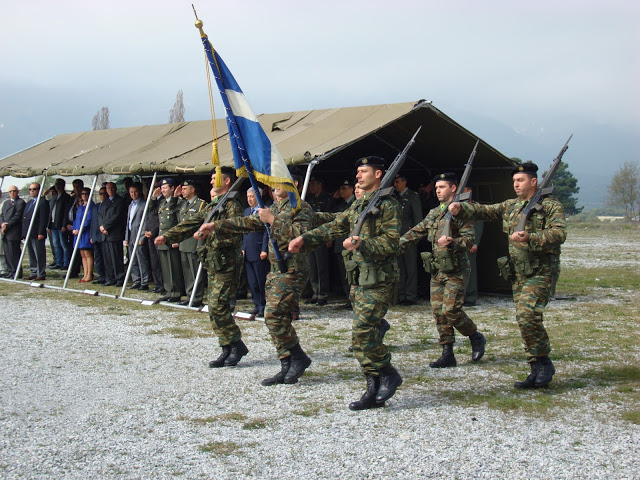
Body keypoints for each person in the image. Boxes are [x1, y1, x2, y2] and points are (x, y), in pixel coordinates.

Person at [289, 156, 403, 411]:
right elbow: (335, 226)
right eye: (358, 171)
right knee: (361, 336)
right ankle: (372, 390)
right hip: (358, 279)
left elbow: (393, 243)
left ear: (378, 174)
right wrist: (304, 240)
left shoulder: (389, 206)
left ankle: (388, 372)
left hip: (379, 278)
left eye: (364, 171)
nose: (359, 175)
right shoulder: (359, 205)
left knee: (363, 334)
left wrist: (363, 243)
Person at [448, 161, 567, 388]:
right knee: (524, 320)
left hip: (540, 271)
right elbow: (486, 210)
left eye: (520, 180)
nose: (516, 184)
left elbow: (559, 233)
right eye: (513, 181)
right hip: (519, 273)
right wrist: (461, 209)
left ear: (534, 181)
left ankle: (543, 363)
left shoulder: (550, 206)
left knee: (528, 316)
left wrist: (530, 238)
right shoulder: (512, 205)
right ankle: (536, 367)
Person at [198, 174, 313, 385]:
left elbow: (301, 235)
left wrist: (273, 221)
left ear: (293, 184)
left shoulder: (300, 207)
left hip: (292, 269)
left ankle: (297, 357)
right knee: (277, 317)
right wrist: (217, 226)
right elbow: (248, 222)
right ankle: (287, 362)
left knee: (272, 314)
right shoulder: (276, 208)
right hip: (276, 270)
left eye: (280, 181)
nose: (274, 186)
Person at [157, 167, 247, 367]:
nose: (211, 181)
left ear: (226, 182)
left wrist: (209, 234)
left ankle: (236, 344)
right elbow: (192, 223)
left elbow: (235, 232)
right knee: (214, 309)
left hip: (227, 263)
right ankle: (227, 346)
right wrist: (168, 236)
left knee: (217, 306)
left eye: (216, 178)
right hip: (213, 262)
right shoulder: (213, 206)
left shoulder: (232, 205)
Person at [400, 172, 486, 369]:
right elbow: (416, 231)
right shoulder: (434, 213)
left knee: (451, 310)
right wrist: (395, 246)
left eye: (442, 187)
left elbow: (469, 240)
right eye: (436, 188)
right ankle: (447, 352)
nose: (437, 191)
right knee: (439, 312)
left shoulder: (462, 211)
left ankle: (475, 336)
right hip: (437, 270)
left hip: (455, 269)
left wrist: (452, 242)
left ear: (453, 188)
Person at [149, 178, 183, 302]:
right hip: (162, 239)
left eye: (165, 188)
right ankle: (168, 291)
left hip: (171, 239)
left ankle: (176, 292)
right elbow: (152, 210)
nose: (162, 190)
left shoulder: (178, 201)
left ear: (172, 188)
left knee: (173, 267)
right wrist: (153, 198)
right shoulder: (162, 202)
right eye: (161, 188)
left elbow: (177, 217)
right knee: (165, 267)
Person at [175, 179, 207, 307]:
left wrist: (201, 243)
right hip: (184, 243)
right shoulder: (183, 204)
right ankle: (190, 295)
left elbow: (203, 225)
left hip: (194, 243)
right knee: (187, 272)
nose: (182, 191)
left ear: (192, 189)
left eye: (184, 189)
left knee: (195, 272)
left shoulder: (201, 204)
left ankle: (197, 297)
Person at [393, 173, 423, 305]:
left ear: (404, 182)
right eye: (395, 182)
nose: (395, 185)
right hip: (396, 237)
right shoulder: (394, 198)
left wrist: (416, 236)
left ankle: (410, 295)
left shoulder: (412, 196)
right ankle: (401, 294)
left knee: (410, 267)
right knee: (400, 268)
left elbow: (418, 218)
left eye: (398, 182)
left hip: (409, 237)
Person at [305, 177, 332, 306]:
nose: (311, 187)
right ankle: (315, 292)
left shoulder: (327, 199)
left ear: (320, 185)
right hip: (310, 236)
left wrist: (328, 237)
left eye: (314, 184)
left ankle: (323, 294)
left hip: (321, 236)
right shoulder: (309, 199)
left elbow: (330, 220)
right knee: (312, 267)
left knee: (322, 266)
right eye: (310, 184)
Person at [242, 187, 269, 316]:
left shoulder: (264, 210)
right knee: (252, 281)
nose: (249, 199)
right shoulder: (247, 211)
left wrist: (264, 249)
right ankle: (257, 304)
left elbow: (266, 232)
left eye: (252, 197)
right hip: (248, 251)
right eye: (247, 197)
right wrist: (243, 247)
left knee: (261, 280)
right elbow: (243, 231)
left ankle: (264, 305)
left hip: (259, 251)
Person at [98, 182, 126, 287]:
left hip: (114, 233)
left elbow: (117, 216)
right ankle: (110, 278)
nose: (110, 190)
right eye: (108, 188)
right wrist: (101, 227)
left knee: (116, 258)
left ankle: (119, 278)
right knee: (107, 258)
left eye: (111, 188)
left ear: (115, 189)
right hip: (105, 234)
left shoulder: (120, 201)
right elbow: (100, 215)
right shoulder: (105, 202)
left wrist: (106, 226)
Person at [125, 182, 150, 291]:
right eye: (131, 192)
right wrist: (126, 237)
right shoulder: (131, 205)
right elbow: (128, 222)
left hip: (139, 234)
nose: (133, 194)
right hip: (131, 234)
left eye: (135, 192)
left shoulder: (143, 204)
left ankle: (145, 281)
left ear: (139, 192)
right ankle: (136, 280)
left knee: (141, 259)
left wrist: (142, 237)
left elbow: (145, 222)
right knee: (132, 259)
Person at [22, 183, 50, 281]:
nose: (32, 191)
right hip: (29, 232)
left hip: (37, 232)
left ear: (39, 190)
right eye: (30, 189)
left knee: (39, 253)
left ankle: (41, 273)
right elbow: (25, 217)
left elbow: (43, 218)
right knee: (31, 253)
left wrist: (41, 232)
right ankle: (33, 272)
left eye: (34, 189)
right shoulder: (29, 202)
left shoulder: (42, 202)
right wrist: (24, 233)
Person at [463, 186, 484, 306]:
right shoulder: (457, 204)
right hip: (460, 242)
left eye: (464, 189)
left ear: (469, 191)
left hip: (470, 243)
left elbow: (479, 225)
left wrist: (475, 243)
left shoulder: (475, 206)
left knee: (470, 270)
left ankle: (471, 297)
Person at [0, 185, 26, 278]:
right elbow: (2, 215)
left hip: (14, 231)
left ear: (17, 192)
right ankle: (11, 271)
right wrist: (2, 224)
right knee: (7, 253)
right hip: (5, 232)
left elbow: (17, 216)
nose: (12, 193)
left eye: (14, 191)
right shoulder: (6, 202)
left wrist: (7, 225)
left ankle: (17, 271)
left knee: (14, 253)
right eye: (10, 191)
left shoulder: (20, 202)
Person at [48, 178, 73, 270]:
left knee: (64, 244)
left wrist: (64, 225)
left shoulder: (66, 197)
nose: (57, 186)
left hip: (61, 224)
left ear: (63, 185)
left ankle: (66, 263)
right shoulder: (54, 197)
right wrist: (48, 225)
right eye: (56, 184)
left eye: (59, 184)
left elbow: (66, 212)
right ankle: (58, 262)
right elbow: (50, 211)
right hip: (53, 224)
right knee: (56, 244)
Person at [71, 187, 94, 283]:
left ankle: (89, 274)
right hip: (78, 233)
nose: (84, 196)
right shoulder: (80, 207)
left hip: (85, 232)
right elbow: (76, 219)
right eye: (83, 194)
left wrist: (80, 229)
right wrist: (74, 229)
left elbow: (88, 220)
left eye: (86, 194)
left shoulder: (91, 206)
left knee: (88, 253)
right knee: (82, 254)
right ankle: (85, 274)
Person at [90, 188, 107, 284]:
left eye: (104, 193)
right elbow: (93, 222)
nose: (102, 195)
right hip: (96, 236)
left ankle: (107, 276)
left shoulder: (108, 205)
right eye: (100, 194)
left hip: (104, 236)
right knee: (98, 258)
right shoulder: (96, 207)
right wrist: (91, 235)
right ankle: (101, 276)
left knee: (105, 258)